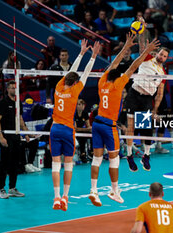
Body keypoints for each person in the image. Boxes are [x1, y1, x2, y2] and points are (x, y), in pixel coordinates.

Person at [89, 34, 160, 206]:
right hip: (108, 126)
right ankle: (114, 191)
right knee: (114, 159)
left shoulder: (102, 82)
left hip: (96, 124)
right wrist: (147, 51)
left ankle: (93, 190)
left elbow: (113, 64)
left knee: (96, 159)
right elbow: (134, 65)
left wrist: (125, 46)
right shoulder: (118, 84)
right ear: (117, 77)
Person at [50, 39, 100, 211]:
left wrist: (81, 53)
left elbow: (71, 72)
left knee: (56, 165)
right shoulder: (74, 91)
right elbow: (85, 73)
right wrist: (92, 56)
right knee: (68, 165)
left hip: (55, 128)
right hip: (67, 130)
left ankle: (56, 198)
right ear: (74, 83)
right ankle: (65, 196)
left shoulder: (59, 86)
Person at [125, 17, 170, 172]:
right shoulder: (148, 57)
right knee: (130, 128)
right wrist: (143, 28)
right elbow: (143, 44)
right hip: (134, 94)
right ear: (157, 53)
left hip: (146, 100)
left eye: (165, 56)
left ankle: (146, 156)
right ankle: (129, 156)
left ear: (166, 58)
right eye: (161, 54)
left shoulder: (163, 73)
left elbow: (160, 94)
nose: (162, 57)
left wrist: (155, 110)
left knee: (146, 130)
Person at [0, 80, 30, 199]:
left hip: (15, 136)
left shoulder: (18, 102)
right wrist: (0, 136)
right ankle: (1, 189)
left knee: (15, 163)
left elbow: (19, 118)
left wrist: (25, 133)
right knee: (4, 163)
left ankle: (12, 188)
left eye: (15, 88)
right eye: (12, 88)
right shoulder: (3, 102)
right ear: (7, 89)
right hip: (5, 135)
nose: (14, 89)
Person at [74, 99, 92, 163]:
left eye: (81, 104)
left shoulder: (85, 113)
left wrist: (90, 129)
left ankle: (91, 152)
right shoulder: (74, 114)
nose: (80, 106)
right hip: (75, 133)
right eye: (78, 104)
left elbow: (88, 126)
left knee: (92, 133)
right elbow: (75, 128)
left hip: (82, 131)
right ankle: (83, 154)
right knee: (82, 137)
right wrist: (86, 129)